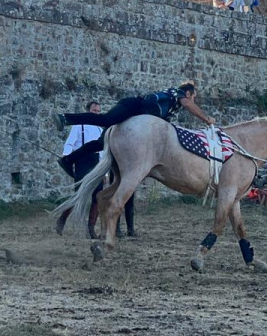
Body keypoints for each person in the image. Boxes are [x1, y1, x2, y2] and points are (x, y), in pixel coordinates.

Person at [58, 81, 213, 129]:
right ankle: (65, 118)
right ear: (188, 94)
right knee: (105, 120)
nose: (193, 101)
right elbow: (187, 104)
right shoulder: (177, 94)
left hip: (136, 114)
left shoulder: (171, 108)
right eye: (194, 97)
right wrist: (206, 119)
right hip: (133, 106)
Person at [56, 101, 109, 238]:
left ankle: (91, 228)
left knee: (97, 197)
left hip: (96, 163)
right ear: (88, 111)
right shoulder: (79, 125)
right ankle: (63, 219)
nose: (96, 113)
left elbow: (103, 152)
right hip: (82, 162)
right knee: (79, 195)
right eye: (94, 110)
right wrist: (66, 157)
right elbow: (70, 143)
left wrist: (105, 172)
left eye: (98, 111)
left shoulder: (100, 129)